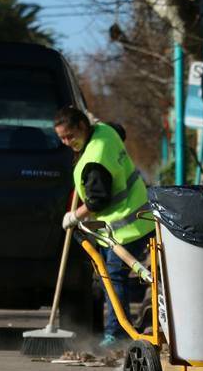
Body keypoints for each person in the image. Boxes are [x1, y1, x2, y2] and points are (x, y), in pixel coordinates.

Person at [53, 106, 155, 349]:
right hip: (141, 213)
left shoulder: (94, 160)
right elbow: (119, 130)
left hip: (125, 227)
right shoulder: (106, 131)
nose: (67, 142)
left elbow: (98, 199)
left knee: (113, 277)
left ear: (82, 127)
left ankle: (117, 334)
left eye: (70, 136)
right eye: (62, 138)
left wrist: (75, 216)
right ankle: (122, 329)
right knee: (115, 277)